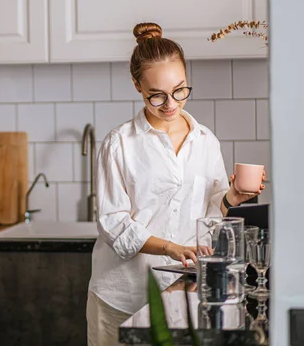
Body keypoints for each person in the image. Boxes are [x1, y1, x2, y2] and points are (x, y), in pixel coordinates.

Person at [86, 22, 265, 346]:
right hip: (122, 296)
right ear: (138, 86)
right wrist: (171, 247)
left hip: (182, 294)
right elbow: (113, 223)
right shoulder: (120, 144)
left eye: (180, 90)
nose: (171, 104)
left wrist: (232, 198)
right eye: (157, 96)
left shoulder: (205, 140)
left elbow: (210, 212)